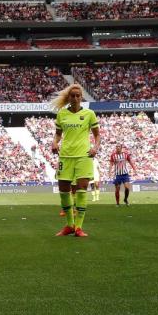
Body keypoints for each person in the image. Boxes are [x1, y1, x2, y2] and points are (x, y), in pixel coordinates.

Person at [51, 84, 100, 238]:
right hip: (65, 156)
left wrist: (95, 148)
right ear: (69, 97)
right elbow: (58, 134)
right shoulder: (62, 114)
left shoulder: (89, 114)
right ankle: (69, 225)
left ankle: (78, 227)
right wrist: (55, 142)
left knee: (81, 189)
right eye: (73, 95)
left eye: (78, 96)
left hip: (83, 156)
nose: (75, 98)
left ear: (81, 97)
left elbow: (97, 135)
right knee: (64, 191)